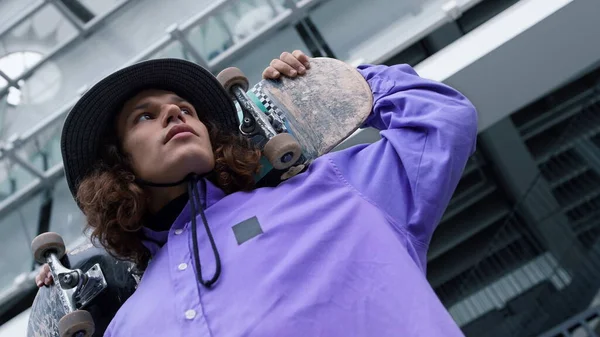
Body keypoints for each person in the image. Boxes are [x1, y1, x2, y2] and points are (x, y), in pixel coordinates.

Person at [35, 50, 477, 336]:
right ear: (119, 165)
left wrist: (336, 85)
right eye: (145, 117)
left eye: (186, 109)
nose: (173, 111)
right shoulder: (127, 325)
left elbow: (442, 122)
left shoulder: (334, 189)